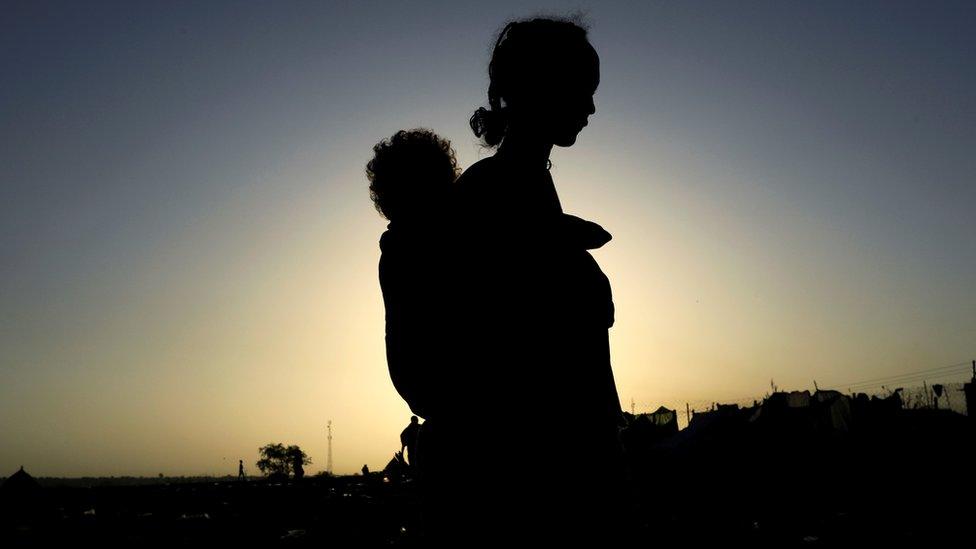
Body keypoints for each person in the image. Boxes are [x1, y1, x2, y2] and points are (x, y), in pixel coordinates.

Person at [417, 16, 637, 546]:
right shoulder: (494, 191)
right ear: (538, 88)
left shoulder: (524, 188)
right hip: (534, 485)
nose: (590, 108)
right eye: (581, 90)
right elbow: (508, 350)